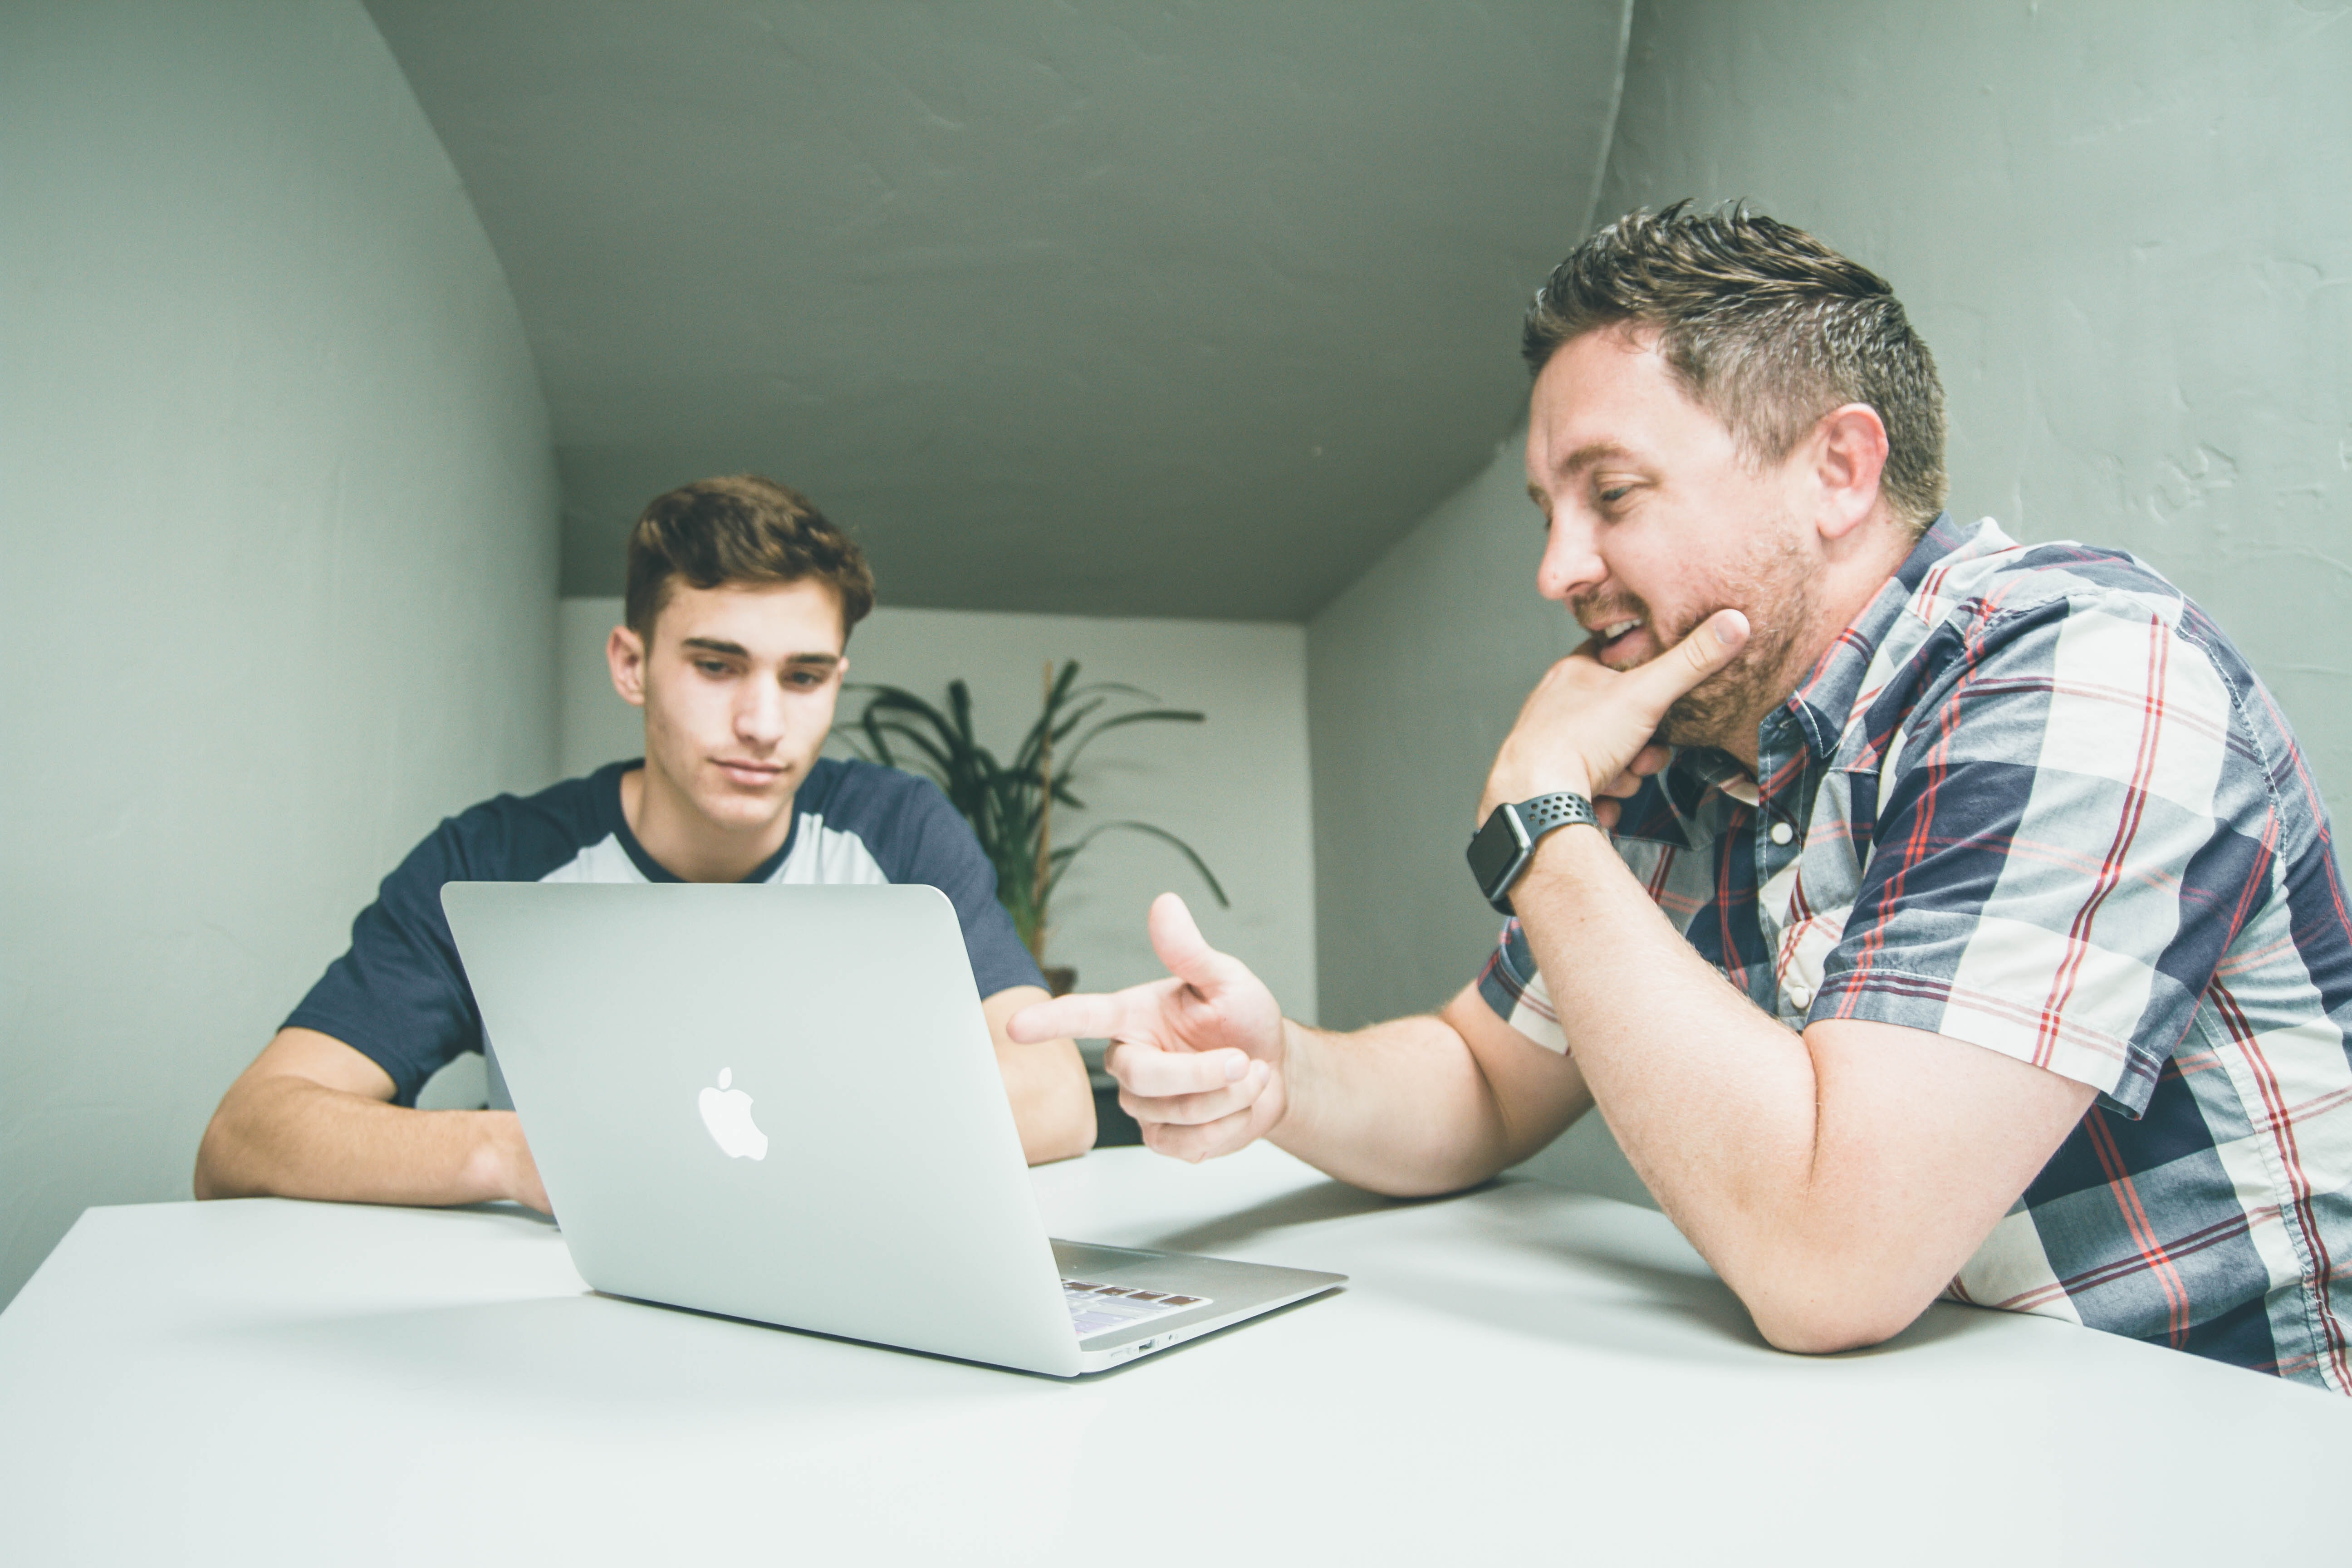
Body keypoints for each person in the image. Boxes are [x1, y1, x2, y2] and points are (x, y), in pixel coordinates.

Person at [1013, 204, 2352, 1390]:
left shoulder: (2081, 669)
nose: (1557, 567)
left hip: (2227, 1451)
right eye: (1548, 508)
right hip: (1928, 1431)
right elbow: (1486, 1076)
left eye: (1612, 495)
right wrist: (1280, 1071)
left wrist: (1542, 816)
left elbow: (1832, 1262)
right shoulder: (1702, 742)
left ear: (1839, 469)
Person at [198, 474, 1094, 1210]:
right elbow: (247, 1135)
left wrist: (736, 1143)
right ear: (632, 664)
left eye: (805, 677)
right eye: (716, 666)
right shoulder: (495, 860)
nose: (762, 723)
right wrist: (516, 1155)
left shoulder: (896, 831)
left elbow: (1056, 1099)